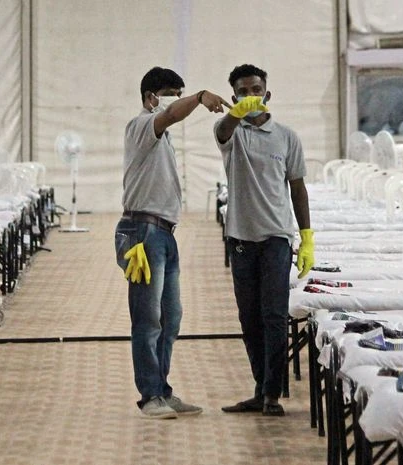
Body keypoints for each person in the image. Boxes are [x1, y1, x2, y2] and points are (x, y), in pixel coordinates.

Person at [115, 66, 230, 419]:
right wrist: (198, 97)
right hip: (143, 232)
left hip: (164, 232)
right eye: (171, 93)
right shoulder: (142, 127)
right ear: (151, 97)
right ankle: (150, 394)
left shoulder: (162, 141)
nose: (176, 101)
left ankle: (162, 389)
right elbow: (169, 115)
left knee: (171, 318)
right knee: (148, 318)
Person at [214, 64, 314, 417]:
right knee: (249, 318)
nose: (251, 96)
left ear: (268, 94)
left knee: (274, 315)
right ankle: (260, 386)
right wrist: (235, 113)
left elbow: (298, 188)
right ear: (235, 97)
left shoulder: (287, 137)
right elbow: (223, 129)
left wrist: (306, 237)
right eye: (243, 92)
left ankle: (272, 393)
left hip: (276, 238)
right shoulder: (232, 133)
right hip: (241, 237)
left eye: (256, 89)